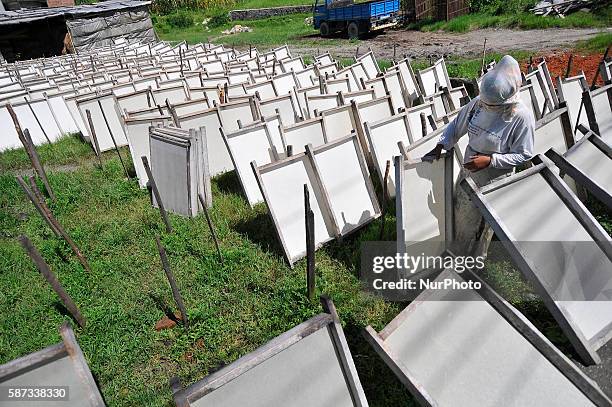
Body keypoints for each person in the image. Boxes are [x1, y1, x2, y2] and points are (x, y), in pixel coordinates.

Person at [423, 55, 535, 257]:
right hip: (469, 170)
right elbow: (458, 125)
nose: (488, 107)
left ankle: (474, 263)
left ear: (507, 99)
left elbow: (524, 154)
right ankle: (456, 255)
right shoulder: (481, 103)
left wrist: (491, 160)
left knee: (483, 225)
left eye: (492, 105)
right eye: (486, 103)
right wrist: (442, 144)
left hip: (494, 179)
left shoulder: (521, 117)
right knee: (461, 214)